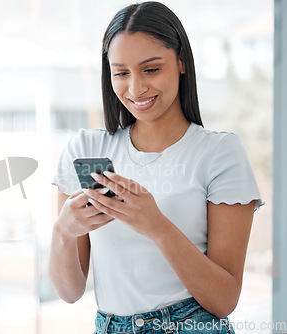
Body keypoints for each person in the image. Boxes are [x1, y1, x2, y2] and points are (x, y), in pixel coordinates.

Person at [49, 2, 264, 334]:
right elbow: (69, 292)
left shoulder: (219, 153)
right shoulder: (86, 150)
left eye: (150, 69)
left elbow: (224, 300)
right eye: (121, 72)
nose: (136, 89)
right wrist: (63, 231)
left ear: (180, 61)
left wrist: (157, 227)